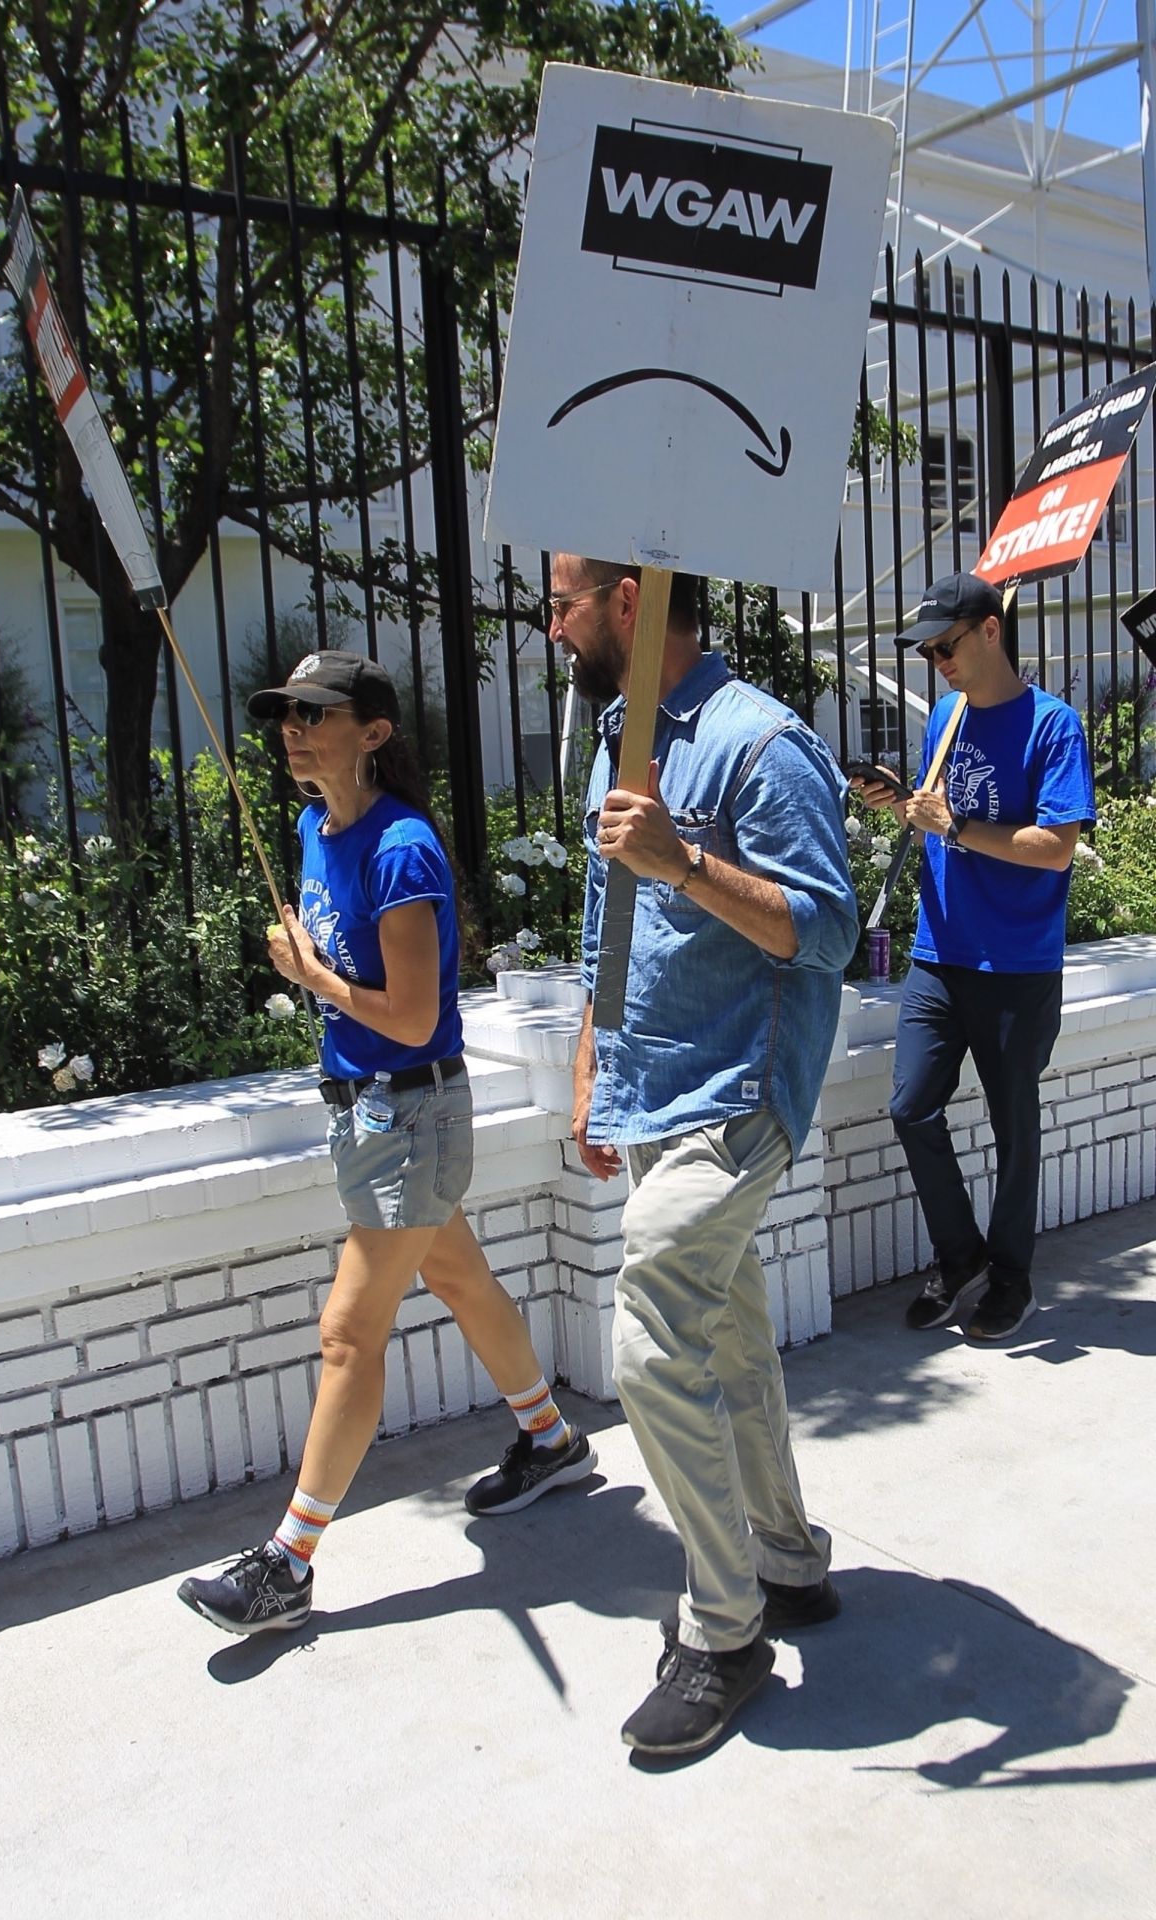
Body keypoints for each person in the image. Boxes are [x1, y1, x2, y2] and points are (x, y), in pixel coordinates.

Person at [178, 650, 596, 1637]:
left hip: (411, 1112)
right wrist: (318, 974)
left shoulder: (401, 846)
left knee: (346, 1334)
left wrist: (313, 979)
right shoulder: (311, 827)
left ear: (372, 732)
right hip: (362, 1111)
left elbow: (412, 1018)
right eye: (285, 713)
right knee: (457, 1280)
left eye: (315, 713)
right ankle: (549, 1436)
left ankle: (287, 1562)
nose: (293, 727)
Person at [553, 556, 858, 1759]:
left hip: (739, 1090)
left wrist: (681, 856)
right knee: (726, 1334)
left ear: (629, 605)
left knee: (646, 1335)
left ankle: (721, 1629)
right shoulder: (618, 739)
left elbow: (827, 931)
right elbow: (604, 921)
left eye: (566, 600)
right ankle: (786, 1563)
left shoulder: (759, 744)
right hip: (651, 1087)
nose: (552, 623)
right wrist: (592, 1069)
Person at [853, 570, 1095, 1343]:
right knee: (910, 1104)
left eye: (946, 645)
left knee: (1013, 1127)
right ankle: (961, 1258)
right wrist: (901, 801)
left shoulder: (1052, 726)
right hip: (940, 950)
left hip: (1018, 963)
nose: (938, 662)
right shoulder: (947, 719)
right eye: (927, 652)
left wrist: (953, 826)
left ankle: (1012, 1278)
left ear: (991, 630)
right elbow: (935, 818)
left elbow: (1056, 849)